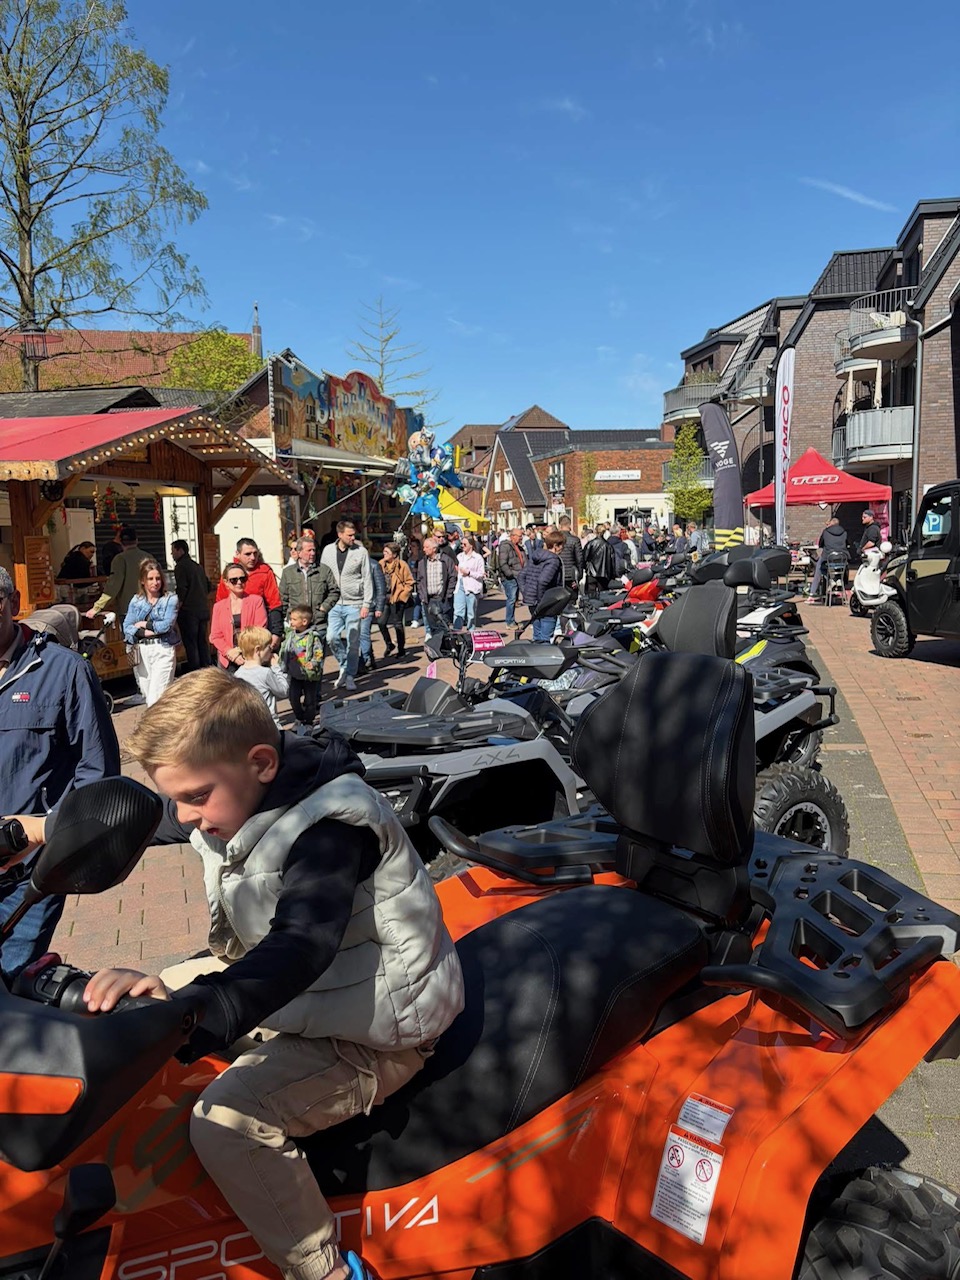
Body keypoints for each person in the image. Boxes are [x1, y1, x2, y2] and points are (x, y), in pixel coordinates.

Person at [64, 670, 465, 1280]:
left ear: (260, 763)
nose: (186, 816)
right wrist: (34, 831)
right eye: (178, 798)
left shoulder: (331, 829)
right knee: (143, 1001)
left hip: (375, 1032)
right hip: (322, 997)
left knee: (227, 1120)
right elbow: (150, 822)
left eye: (196, 797)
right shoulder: (241, 792)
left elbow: (301, 947)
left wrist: (197, 1009)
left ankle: (321, 1268)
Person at [0, 569, 120, 978]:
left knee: (12, 977)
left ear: (14, 603)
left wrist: (53, 842)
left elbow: (97, 771)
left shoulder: (63, 670)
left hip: (29, 873)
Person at [319, 520, 373, 694]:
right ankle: (344, 665)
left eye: (354, 534)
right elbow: (322, 575)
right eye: (349, 535)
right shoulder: (328, 551)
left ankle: (350, 675)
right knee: (331, 637)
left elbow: (367, 578)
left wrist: (366, 604)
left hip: (355, 603)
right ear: (340, 535)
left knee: (353, 642)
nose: (353, 538)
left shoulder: (361, 552)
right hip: (334, 603)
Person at [122, 560, 180, 707]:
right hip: (142, 651)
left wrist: (143, 624)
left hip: (163, 648)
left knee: (156, 698)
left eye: (158, 578)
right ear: (143, 581)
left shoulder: (170, 599)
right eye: (150, 578)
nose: (155, 582)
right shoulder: (136, 600)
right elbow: (127, 626)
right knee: (148, 696)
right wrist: (145, 633)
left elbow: (166, 626)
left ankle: (157, 722)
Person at [216, 539, 283, 650]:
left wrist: (276, 632)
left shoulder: (265, 571)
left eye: (255, 553)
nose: (252, 557)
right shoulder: (229, 573)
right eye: (248, 554)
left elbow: (274, 603)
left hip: (258, 630)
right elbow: (220, 605)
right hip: (232, 632)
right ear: (237, 554)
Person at [210, 564, 268, 670]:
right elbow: (215, 636)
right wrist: (229, 652)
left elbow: (259, 631)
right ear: (226, 582)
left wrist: (239, 651)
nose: (239, 582)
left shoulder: (256, 601)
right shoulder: (218, 606)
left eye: (242, 578)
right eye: (234, 580)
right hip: (227, 661)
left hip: (250, 659)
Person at [85, 525, 146, 621]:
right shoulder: (148, 557)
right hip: (150, 608)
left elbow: (113, 586)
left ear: (120, 541)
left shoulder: (120, 559)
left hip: (129, 609)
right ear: (137, 540)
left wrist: (97, 607)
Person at [234, 626, 289, 730]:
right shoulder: (265, 673)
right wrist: (277, 668)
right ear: (257, 650)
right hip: (270, 726)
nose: (271, 650)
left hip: (249, 727)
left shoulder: (238, 674)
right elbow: (283, 691)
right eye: (269, 647)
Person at [280, 605, 326, 726]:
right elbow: (285, 648)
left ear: (304, 621)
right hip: (295, 674)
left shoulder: (313, 636)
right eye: (291, 619)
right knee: (293, 697)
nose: (291, 622)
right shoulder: (291, 635)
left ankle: (309, 721)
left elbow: (318, 652)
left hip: (308, 675)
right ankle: (300, 717)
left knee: (310, 700)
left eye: (294, 619)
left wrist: (314, 662)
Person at [279, 537, 339, 628]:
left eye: (314, 550)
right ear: (299, 552)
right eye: (309, 550)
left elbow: (335, 591)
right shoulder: (288, 572)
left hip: (318, 623)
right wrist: (284, 618)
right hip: (297, 624)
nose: (313, 553)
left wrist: (324, 608)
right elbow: (283, 597)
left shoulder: (324, 570)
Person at [171, 539, 212, 671]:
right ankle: (207, 669)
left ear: (180, 550)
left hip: (189, 611)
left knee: (191, 643)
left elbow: (182, 589)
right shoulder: (197, 566)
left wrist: (178, 606)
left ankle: (196, 671)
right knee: (202, 642)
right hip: (202, 609)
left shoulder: (181, 566)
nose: (172, 555)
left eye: (173, 551)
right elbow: (209, 585)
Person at [517, 530, 564, 640]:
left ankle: (536, 649)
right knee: (545, 636)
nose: (563, 548)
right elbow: (543, 581)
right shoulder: (553, 560)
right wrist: (541, 600)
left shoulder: (536, 556)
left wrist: (526, 592)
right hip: (546, 601)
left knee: (537, 634)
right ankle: (543, 649)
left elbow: (521, 576)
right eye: (562, 545)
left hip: (532, 600)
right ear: (556, 545)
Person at [415, 535, 456, 639]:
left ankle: (445, 645)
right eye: (423, 547)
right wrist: (422, 596)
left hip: (442, 599)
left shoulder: (445, 560)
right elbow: (419, 580)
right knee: (432, 627)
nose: (424, 549)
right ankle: (435, 645)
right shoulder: (422, 563)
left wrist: (448, 595)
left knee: (443, 625)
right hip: (428, 600)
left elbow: (452, 577)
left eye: (426, 547)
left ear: (434, 548)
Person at [380, 542, 413, 657]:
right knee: (381, 622)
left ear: (394, 554)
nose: (384, 554)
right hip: (384, 598)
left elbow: (409, 582)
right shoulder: (381, 564)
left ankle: (401, 649)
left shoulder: (402, 565)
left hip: (397, 598)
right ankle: (389, 644)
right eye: (384, 551)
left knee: (397, 624)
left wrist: (402, 596)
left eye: (387, 552)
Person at [358, 555, 387, 675]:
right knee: (358, 635)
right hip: (353, 605)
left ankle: (364, 661)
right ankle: (370, 658)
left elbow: (381, 587)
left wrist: (379, 607)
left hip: (369, 605)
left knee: (363, 633)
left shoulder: (374, 565)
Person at [808, 517, 850, 600]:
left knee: (819, 568)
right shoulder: (844, 532)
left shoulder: (826, 532)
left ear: (831, 524)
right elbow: (847, 543)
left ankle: (813, 592)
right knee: (843, 567)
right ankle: (838, 580)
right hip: (842, 558)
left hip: (828, 557)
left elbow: (820, 544)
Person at [452, 533, 486, 630]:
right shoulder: (459, 556)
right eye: (461, 544)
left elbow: (481, 574)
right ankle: (457, 632)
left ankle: (471, 631)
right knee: (458, 611)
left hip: (472, 586)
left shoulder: (478, 558)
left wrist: (469, 573)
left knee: (471, 613)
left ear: (471, 545)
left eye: (465, 544)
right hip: (460, 585)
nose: (462, 546)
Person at [497, 527, 525, 628]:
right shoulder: (505, 546)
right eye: (519, 536)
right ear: (513, 536)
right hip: (510, 577)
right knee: (511, 599)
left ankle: (512, 620)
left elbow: (524, 560)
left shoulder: (519, 547)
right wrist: (510, 574)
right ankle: (509, 622)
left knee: (515, 599)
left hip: (519, 576)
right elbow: (502, 562)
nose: (521, 538)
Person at [583, 524, 616, 597]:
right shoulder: (608, 546)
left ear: (595, 531)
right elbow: (612, 563)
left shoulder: (590, 544)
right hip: (604, 574)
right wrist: (612, 575)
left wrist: (586, 568)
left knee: (590, 596)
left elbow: (584, 558)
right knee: (603, 596)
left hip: (591, 573)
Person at [557, 516, 584, 596]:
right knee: (571, 598)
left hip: (558, 573)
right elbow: (579, 559)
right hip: (571, 575)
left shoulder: (555, 539)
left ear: (560, 525)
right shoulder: (575, 540)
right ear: (570, 525)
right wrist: (579, 577)